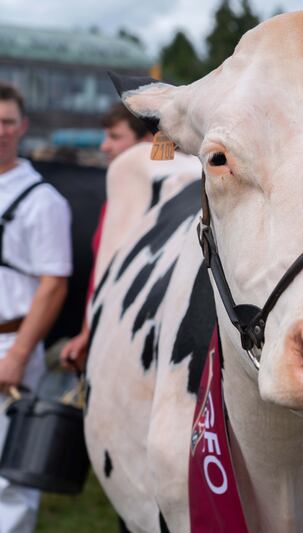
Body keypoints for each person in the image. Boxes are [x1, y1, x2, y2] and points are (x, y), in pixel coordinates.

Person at [0, 82, 72, 532]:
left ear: (22, 127)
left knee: (8, 480)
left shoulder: (42, 201)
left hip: (9, 345)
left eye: (7, 121)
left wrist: (19, 355)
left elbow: (54, 285)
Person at [59, 103, 152, 370]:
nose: (104, 147)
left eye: (115, 137)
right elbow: (99, 277)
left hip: (137, 345)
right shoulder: (114, 199)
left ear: (148, 140)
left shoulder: (167, 200)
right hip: (108, 339)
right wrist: (88, 334)